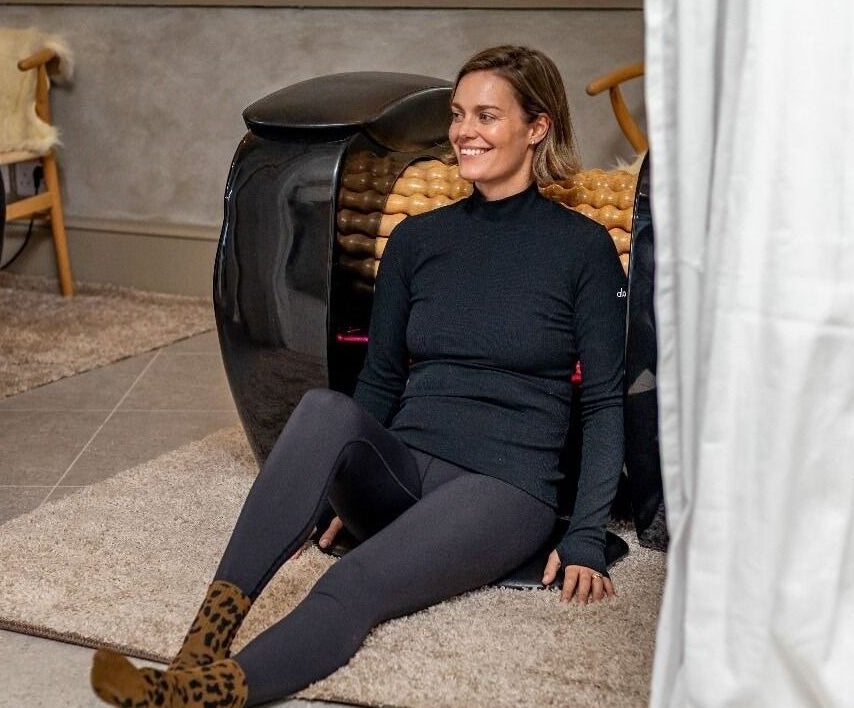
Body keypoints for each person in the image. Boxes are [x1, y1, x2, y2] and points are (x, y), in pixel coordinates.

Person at [90, 45, 627, 708]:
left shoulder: (582, 250)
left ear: (537, 127)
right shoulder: (418, 240)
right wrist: (325, 489)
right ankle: (197, 649)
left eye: (487, 116)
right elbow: (379, 379)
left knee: (351, 584)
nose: (464, 131)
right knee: (324, 409)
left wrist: (584, 536)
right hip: (407, 467)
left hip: (503, 487)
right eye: (458, 114)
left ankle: (203, 694)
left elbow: (604, 404)